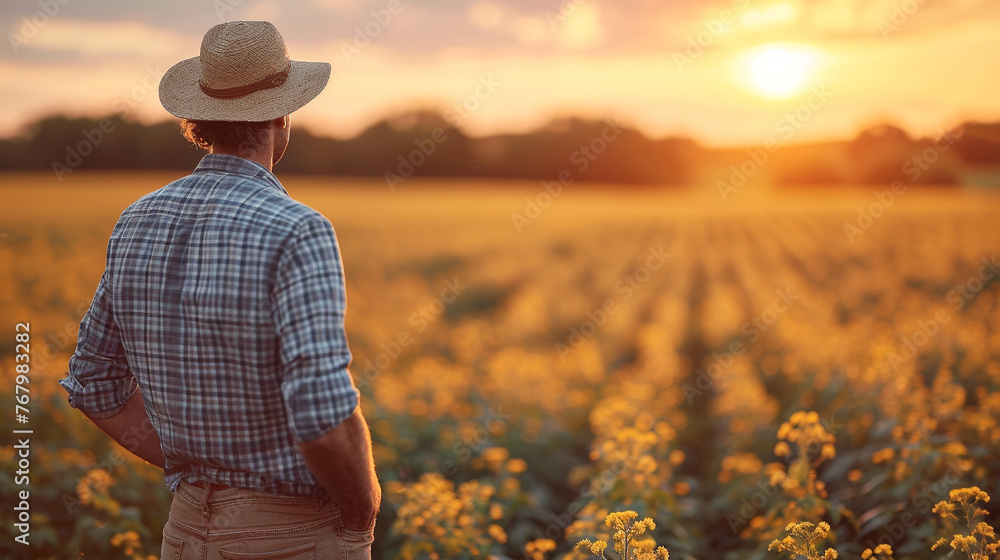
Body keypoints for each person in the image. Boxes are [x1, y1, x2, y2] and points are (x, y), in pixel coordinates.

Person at [58, 20, 380, 559]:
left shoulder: (136, 220)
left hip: (183, 530)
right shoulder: (298, 228)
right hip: (291, 537)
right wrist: (362, 507)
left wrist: (203, 468)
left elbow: (92, 383)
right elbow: (323, 415)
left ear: (198, 118)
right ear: (281, 116)